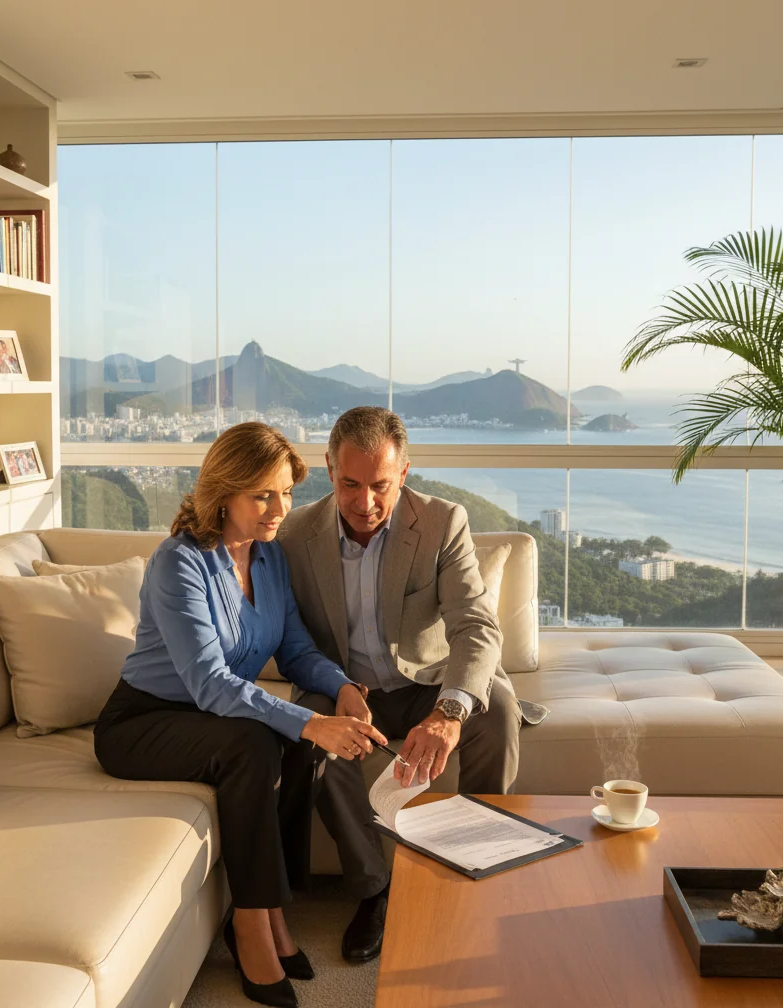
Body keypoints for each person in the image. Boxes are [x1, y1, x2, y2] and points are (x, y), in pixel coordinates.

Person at [94, 422, 387, 1008]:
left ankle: (275, 913)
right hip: (142, 724)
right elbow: (209, 684)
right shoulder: (180, 564)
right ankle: (252, 925)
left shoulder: (271, 559)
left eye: (285, 493)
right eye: (262, 495)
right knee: (257, 743)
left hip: (214, 719)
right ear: (222, 492)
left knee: (293, 739)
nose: (280, 509)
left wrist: (343, 688)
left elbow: (297, 651)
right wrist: (309, 721)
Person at [277, 406, 524, 963]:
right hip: (343, 686)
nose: (365, 504)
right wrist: (337, 685)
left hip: (426, 683)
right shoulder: (293, 535)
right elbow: (290, 641)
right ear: (328, 469)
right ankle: (374, 891)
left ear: (405, 472)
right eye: (350, 485)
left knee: (498, 712)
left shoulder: (441, 522)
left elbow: (476, 628)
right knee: (313, 740)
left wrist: (450, 713)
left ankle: (476, 865)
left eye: (380, 486)